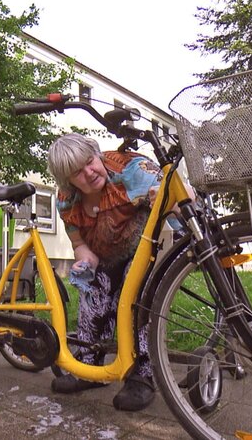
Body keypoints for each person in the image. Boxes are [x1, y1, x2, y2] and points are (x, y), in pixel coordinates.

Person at [47, 132, 165, 412]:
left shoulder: (131, 171)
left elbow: (177, 196)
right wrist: (84, 262)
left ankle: (142, 374)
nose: (89, 173)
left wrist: (162, 196)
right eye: (77, 173)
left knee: (132, 297)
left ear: (97, 154)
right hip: (107, 256)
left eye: (90, 162)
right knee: (93, 293)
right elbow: (79, 244)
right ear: (68, 181)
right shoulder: (66, 200)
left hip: (144, 249)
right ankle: (89, 365)